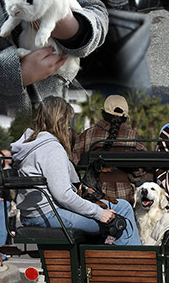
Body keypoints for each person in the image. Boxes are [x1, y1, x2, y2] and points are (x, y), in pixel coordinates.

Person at [11, 96, 140, 244]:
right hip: (50, 214)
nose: (69, 127)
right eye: (68, 122)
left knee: (122, 206)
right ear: (61, 121)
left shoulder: (30, 144)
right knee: (120, 214)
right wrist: (99, 213)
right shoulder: (52, 148)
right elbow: (64, 195)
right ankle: (133, 264)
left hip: (32, 213)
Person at [72, 94, 148, 204]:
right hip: (124, 195)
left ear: (103, 113)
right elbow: (140, 171)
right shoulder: (133, 137)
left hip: (94, 195)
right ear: (125, 116)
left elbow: (74, 163)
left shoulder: (87, 135)